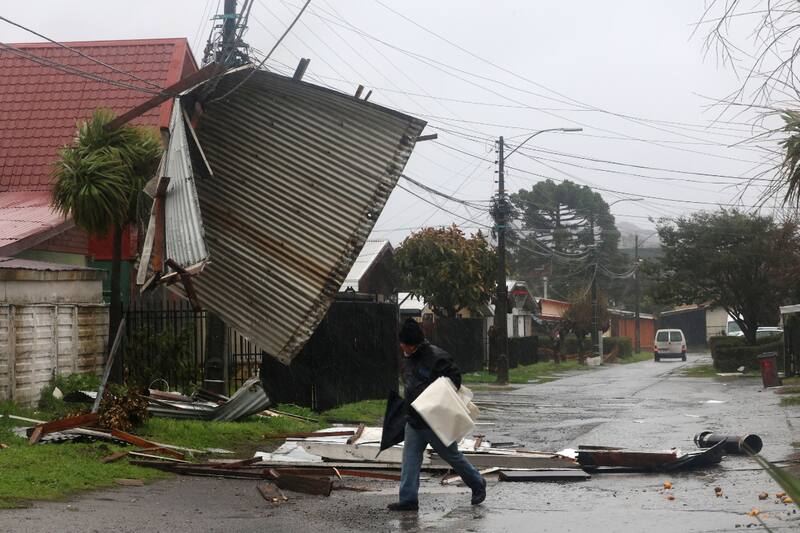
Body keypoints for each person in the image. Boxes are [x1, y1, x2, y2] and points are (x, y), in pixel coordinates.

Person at [387, 318, 486, 512]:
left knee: (452, 456)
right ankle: (408, 500)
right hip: (414, 420)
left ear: (411, 344)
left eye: (403, 344)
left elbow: (454, 382)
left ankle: (477, 483)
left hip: (435, 422)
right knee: (410, 459)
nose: (401, 347)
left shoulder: (437, 357)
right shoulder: (409, 358)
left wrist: (434, 398)